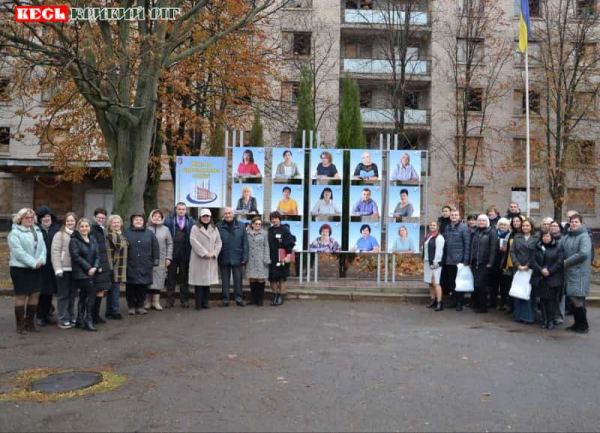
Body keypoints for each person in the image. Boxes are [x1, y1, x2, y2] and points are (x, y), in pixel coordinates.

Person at [8, 208, 46, 334]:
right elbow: (18, 253)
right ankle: (20, 326)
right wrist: (34, 263)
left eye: (31, 217)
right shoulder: (14, 233)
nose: (29, 219)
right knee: (21, 296)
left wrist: (41, 260)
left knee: (35, 294)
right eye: (26, 217)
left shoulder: (38, 230)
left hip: (37, 268)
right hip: (20, 269)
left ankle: (30, 323)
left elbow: (43, 248)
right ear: (20, 219)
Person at [562, 213, 592, 333]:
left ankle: (583, 326)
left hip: (579, 273)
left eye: (576, 222)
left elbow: (583, 253)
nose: (574, 224)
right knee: (573, 300)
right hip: (570, 273)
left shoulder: (584, 236)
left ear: (581, 223)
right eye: (572, 221)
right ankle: (577, 324)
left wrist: (567, 262)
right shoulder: (569, 236)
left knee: (577, 300)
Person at [125, 212, 160, 315]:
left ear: (143, 222)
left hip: (145, 264)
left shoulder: (149, 233)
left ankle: (140, 306)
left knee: (142, 288)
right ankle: (131, 306)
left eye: (140, 220)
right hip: (130, 264)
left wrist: (155, 261)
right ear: (132, 221)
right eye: (136, 220)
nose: (138, 221)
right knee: (131, 287)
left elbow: (155, 247)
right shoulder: (126, 232)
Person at [69, 218, 100, 331]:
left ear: (89, 228)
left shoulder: (93, 239)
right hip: (81, 273)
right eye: (82, 226)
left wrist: (95, 267)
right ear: (78, 228)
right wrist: (89, 268)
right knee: (88, 297)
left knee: (85, 296)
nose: (84, 228)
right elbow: (76, 257)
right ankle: (88, 321)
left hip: (92, 272)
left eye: (86, 226)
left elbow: (97, 255)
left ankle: (80, 320)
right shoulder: (74, 240)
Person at [189, 209, 222, 310]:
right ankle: (198, 303)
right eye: (204, 216)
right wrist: (204, 253)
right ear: (200, 217)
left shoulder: (214, 228)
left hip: (210, 258)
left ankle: (205, 302)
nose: (206, 218)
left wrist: (214, 253)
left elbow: (219, 242)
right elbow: (193, 241)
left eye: (207, 216)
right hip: (199, 259)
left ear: (210, 217)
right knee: (199, 283)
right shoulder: (195, 228)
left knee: (207, 283)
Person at [164, 203, 196, 308]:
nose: (181, 211)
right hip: (172, 252)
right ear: (176, 210)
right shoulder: (169, 221)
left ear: (186, 210)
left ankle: (184, 299)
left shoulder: (191, 221)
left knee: (184, 277)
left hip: (185, 252)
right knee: (171, 278)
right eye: (179, 209)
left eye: (183, 209)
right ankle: (170, 300)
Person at [531, 231, 564, 330]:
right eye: (544, 236)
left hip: (553, 278)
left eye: (547, 236)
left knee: (550, 301)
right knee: (542, 301)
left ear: (551, 237)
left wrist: (549, 271)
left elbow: (560, 261)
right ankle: (544, 320)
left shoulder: (558, 246)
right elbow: (533, 260)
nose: (545, 238)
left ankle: (550, 321)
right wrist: (541, 270)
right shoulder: (537, 247)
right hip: (540, 277)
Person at [217, 207, 249, 307]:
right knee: (225, 281)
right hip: (224, 255)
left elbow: (245, 242)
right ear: (223, 215)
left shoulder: (241, 225)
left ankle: (238, 299)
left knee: (238, 280)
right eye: (226, 213)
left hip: (237, 256)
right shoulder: (218, 226)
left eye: (229, 213)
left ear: (233, 214)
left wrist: (245, 256)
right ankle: (225, 300)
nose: (228, 215)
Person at [51, 212, 77, 329]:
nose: (70, 222)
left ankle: (71, 316)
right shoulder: (59, 235)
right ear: (65, 222)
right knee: (63, 295)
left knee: (72, 295)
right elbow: (55, 252)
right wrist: (58, 268)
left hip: (75, 270)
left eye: (72, 220)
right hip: (63, 269)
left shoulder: (77, 234)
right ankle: (63, 318)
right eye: (68, 221)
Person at [35, 206, 60, 327]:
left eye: (48, 216)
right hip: (40, 264)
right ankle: (39, 316)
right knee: (41, 292)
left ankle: (45, 314)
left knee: (49, 291)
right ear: (39, 219)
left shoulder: (56, 228)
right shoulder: (35, 229)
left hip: (52, 264)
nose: (46, 218)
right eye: (44, 217)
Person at [440, 210, 470, 311]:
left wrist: (465, 259)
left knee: (459, 283)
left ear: (459, 216)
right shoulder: (448, 227)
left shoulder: (463, 227)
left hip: (459, 260)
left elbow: (467, 244)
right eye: (452, 215)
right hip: (449, 260)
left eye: (456, 215)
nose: (453, 216)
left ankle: (460, 303)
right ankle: (454, 301)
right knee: (451, 282)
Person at [510, 218, 538, 324]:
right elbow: (512, 252)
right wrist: (517, 265)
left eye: (527, 225)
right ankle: (518, 316)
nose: (525, 227)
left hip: (530, 269)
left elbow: (536, 253)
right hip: (518, 268)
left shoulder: (536, 238)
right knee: (518, 291)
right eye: (523, 226)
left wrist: (528, 265)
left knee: (528, 292)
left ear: (531, 227)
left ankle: (528, 317)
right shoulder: (517, 237)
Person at [469, 215, 499, 313]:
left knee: (481, 285)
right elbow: (472, 247)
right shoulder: (475, 231)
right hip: (475, 262)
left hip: (485, 262)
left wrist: (491, 262)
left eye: (483, 220)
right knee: (476, 284)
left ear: (487, 222)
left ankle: (483, 307)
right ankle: (477, 303)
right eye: (480, 220)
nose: (481, 222)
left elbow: (493, 248)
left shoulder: (492, 232)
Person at [146, 209, 173, 311]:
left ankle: (156, 302)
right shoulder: (146, 228)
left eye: (159, 216)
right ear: (151, 217)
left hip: (162, 258)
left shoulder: (165, 229)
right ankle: (148, 302)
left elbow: (170, 243)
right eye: (155, 215)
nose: (157, 217)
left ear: (162, 218)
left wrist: (168, 257)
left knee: (159, 280)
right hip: (147, 258)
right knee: (148, 280)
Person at [267, 211, 295, 306]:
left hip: (282, 258)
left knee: (282, 277)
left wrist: (288, 255)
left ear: (279, 219)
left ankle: (280, 296)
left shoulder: (285, 230)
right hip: (272, 258)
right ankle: (274, 295)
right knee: (272, 278)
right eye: (272, 218)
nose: (274, 220)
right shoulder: (269, 230)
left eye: (276, 218)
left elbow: (290, 243)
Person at [90, 208, 112, 326]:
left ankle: (96, 315)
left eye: (103, 218)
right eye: (99, 218)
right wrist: (96, 264)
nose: (101, 220)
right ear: (94, 217)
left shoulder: (104, 230)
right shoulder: (92, 230)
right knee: (94, 290)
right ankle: (91, 316)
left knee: (101, 290)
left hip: (104, 264)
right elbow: (93, 249)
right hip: (97, 264)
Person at [105, 215, 127, 320]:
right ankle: (115, 311)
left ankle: (109, 311)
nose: (116, 224)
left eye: (118, 222)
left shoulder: (121, 234)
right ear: (109, 224)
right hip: (113, 266)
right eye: (114, 223)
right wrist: (110, 268)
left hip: (120, 266)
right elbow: (115, 249)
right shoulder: (109, 235)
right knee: (115, 290)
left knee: (112, 290)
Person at [246, 216, 270, 306]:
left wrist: (267, 258)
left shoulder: (264, 233)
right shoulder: (247, 233)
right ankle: (253, 299)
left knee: (260, 279)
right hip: (250, 259)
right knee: (252, 279)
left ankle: (260, 299)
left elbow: (267, 246)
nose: (258, 225)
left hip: (261, 259)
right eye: (256, 224)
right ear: (252, 224)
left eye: (260, 224)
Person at [488, 217, 511, 310]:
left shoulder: (510, 235)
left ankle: (503, 303)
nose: (502, 226)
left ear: (508, 226)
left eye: (505, 225)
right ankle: (492, 302)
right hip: (494, 262)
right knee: (493, 284)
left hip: (504, 262)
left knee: (504, 285)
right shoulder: (494, 234)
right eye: (501, 224)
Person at [423, 221, 445, 311]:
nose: (432, 226)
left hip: (435, 262)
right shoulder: (429, 236)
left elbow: (439, 251)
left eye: (434, 225)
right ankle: (433, 300)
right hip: (427, 261)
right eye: (430, 225)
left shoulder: (439, 237)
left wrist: (436, 263)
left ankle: (439, 303)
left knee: (435, 282)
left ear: (438, 227)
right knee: (430, 283)